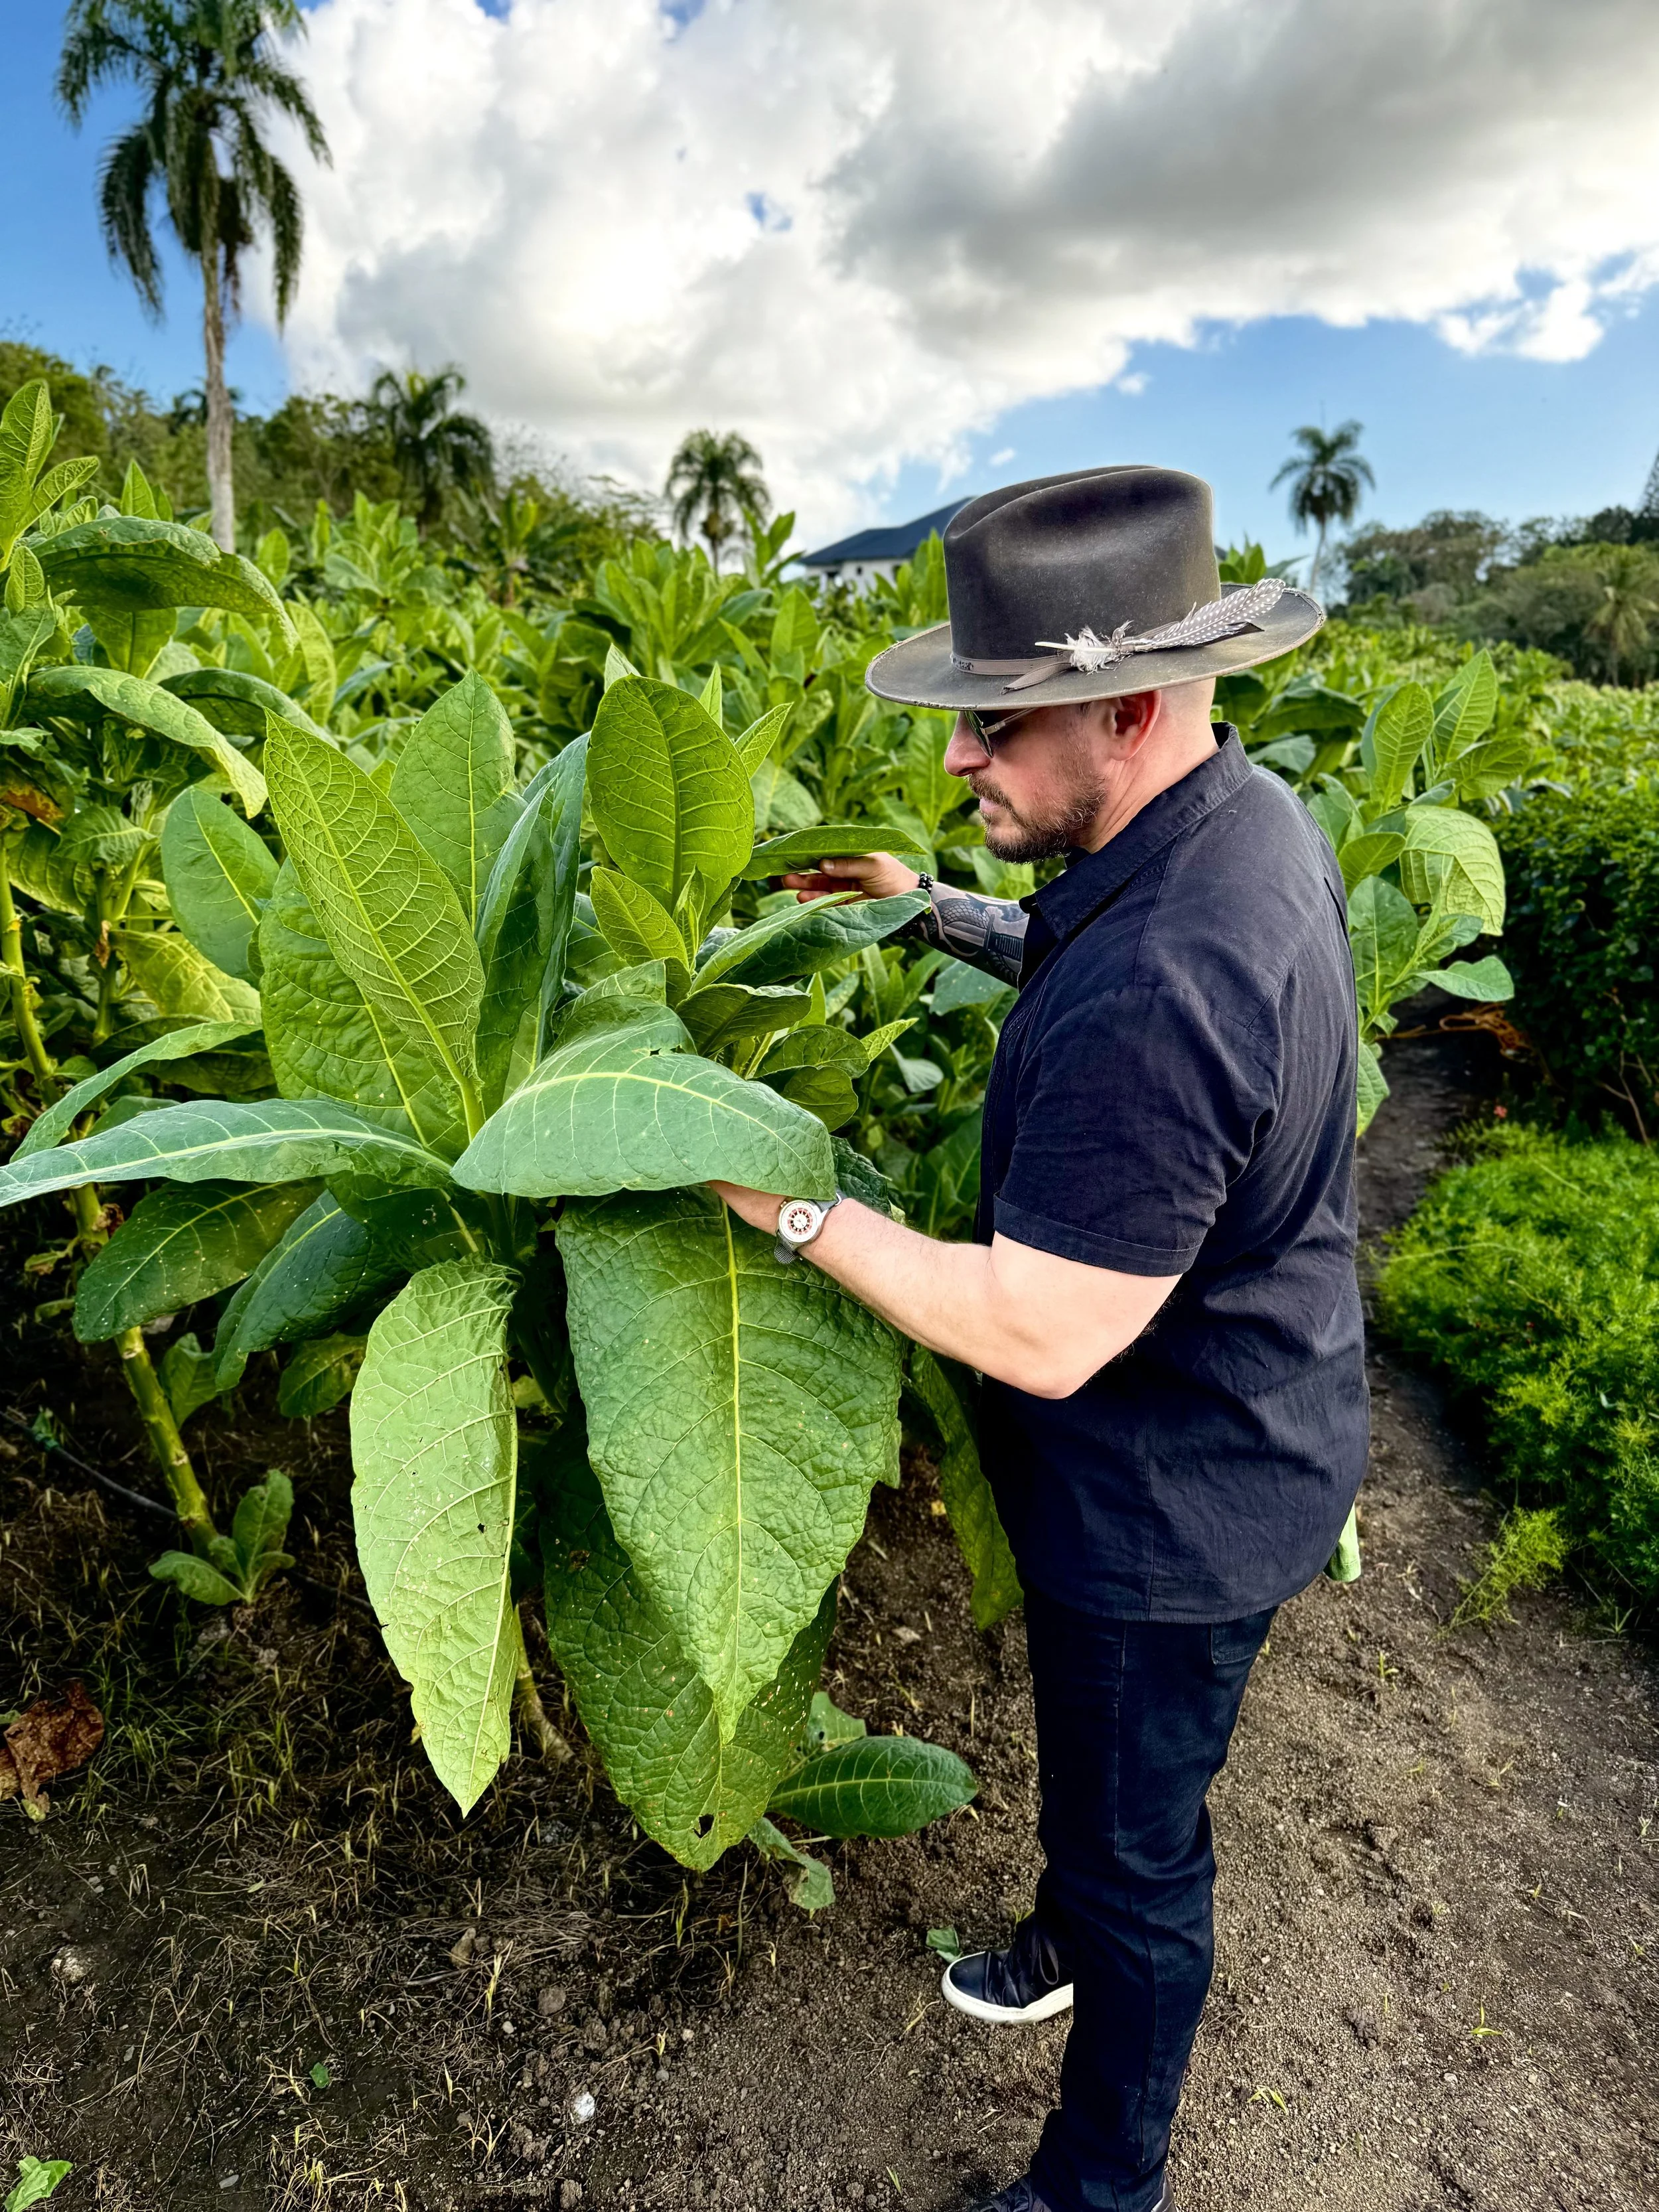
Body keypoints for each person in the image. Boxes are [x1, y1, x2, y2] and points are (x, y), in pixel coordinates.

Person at [711, 467, 1368, 2212]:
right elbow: (1105, 956)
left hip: (1171, 1502)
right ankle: (1070, 1921)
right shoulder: (1231, 821)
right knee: (1105, 1795)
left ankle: (1101, 2177)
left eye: (993, 727)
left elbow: (1032, 1326)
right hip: (1240, 1404)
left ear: (1127, 707)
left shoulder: (1173, 982)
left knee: (1144, 1848)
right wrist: (932, 903)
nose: (955, 761)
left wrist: (775, 1198)